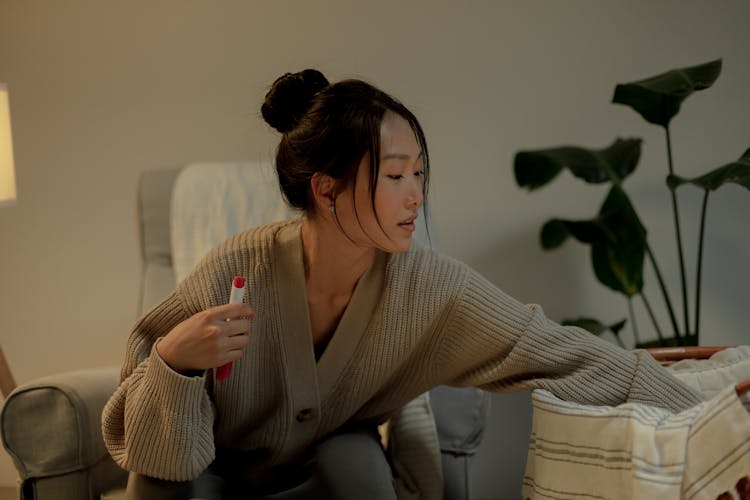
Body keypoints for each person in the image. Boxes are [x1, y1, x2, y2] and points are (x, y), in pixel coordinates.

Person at [102, 69, 704, 500]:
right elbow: (156, 450)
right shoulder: (235, 270)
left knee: (357, 467)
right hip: (210, 467)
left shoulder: (428, 285)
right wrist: (176, 364)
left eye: (419, 172)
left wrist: (713, 416)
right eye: (394, 174)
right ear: (327, 188)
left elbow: (553, 350)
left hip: (330, 466)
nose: (415, 194)